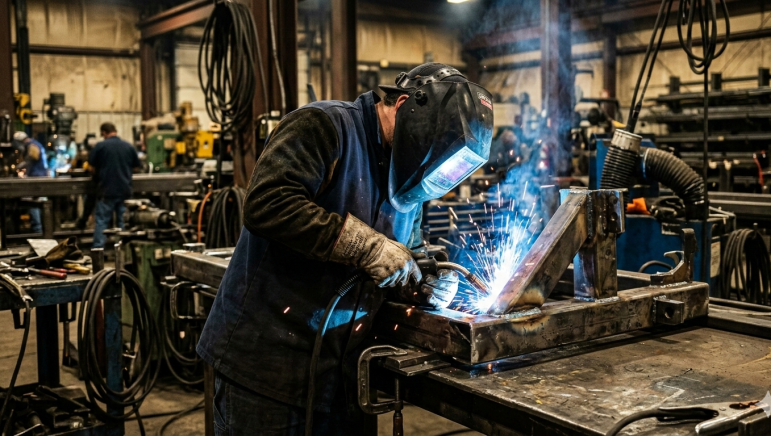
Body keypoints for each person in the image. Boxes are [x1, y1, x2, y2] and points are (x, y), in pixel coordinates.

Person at [197, 63, 493, 435]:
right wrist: (366, 246)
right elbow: (267, 204)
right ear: (404, 105)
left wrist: (424, 283)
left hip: (346, 377)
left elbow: (407, 252)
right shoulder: (325, 126)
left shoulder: (410, 178)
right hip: (266, 369)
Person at [88, 122, 140, 248]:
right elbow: (136, 168)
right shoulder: (128, 146)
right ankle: (124, 250)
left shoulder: (100, 147)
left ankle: (98, 252)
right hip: (124, 191)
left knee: (102, 222)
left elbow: (91, 168)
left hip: (106, 191)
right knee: (124, 222)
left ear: (104, 133)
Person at [14, 131, 50, 233]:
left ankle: (37, 230)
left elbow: (31, 159)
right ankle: (43, 229)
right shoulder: (35, 144)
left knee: (34, 203)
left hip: (37, 178)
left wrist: (20, 166)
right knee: (39, 203)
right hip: (41, 177)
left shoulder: (32, 146)